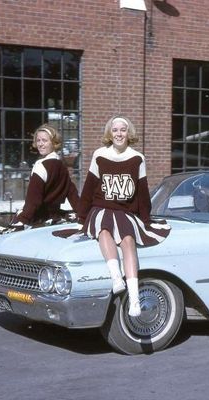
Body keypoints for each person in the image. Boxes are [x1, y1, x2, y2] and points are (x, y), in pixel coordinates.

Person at [78, 116, 171, 317]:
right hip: (101, 208)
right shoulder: (99, 155)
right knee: (104, 231)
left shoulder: (137, 158)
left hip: (124, 211)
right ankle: (116, 278)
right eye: (115, 130)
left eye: (123, 130)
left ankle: (135, 300)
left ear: (129, 133)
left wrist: (145, 221)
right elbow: (89, 187)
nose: (119, 134)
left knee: (128, 240)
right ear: (109, 134)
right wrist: (81, 217)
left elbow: (142, 193)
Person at [3, 124, 79, 231]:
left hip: (38, 219)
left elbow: (34, 201)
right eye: (38, 140)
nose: (40, 144)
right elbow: (72, 193)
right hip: (55, 217)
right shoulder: (61, 165)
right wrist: (81, 212)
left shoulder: (41, 165)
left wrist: (22, 220)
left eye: (44, 140)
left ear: (53, 143)